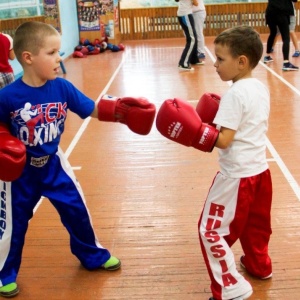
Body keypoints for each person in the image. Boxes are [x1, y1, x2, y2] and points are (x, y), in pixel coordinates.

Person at [0, 21, 156, 298]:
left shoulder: (61, 88)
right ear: (28, 58)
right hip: (19, 175)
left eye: (59, 51)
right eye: (51, 52)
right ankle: (4, 274)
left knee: (77, 211)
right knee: (12, 227)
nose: (59, 57)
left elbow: (91, 108)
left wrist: (122, 111)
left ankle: (92, 255)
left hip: (54, 164)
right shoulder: (7, 96)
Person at [156, 25, 272, 300]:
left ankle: (231, 288)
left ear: (241, 61)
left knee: (210, 231)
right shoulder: (259, 86)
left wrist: (196, 131)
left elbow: (223, 140)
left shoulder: (235, 94)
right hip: (260, 171)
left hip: (236, 177)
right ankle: (259, 265)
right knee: (256, 226)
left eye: (220, 59)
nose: (215, 63)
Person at [264, 0, 298, 71]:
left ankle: (267, 56)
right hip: (281, 12)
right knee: (286, 37)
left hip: (270, 12)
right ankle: (286, 62)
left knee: (273, 33)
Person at [176, 0, 204, 71]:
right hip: (186, 15)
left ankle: (194, 59)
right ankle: (183, 64)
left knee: (194, 37)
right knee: (192, 39)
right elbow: (196, 3)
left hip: (185, 14)